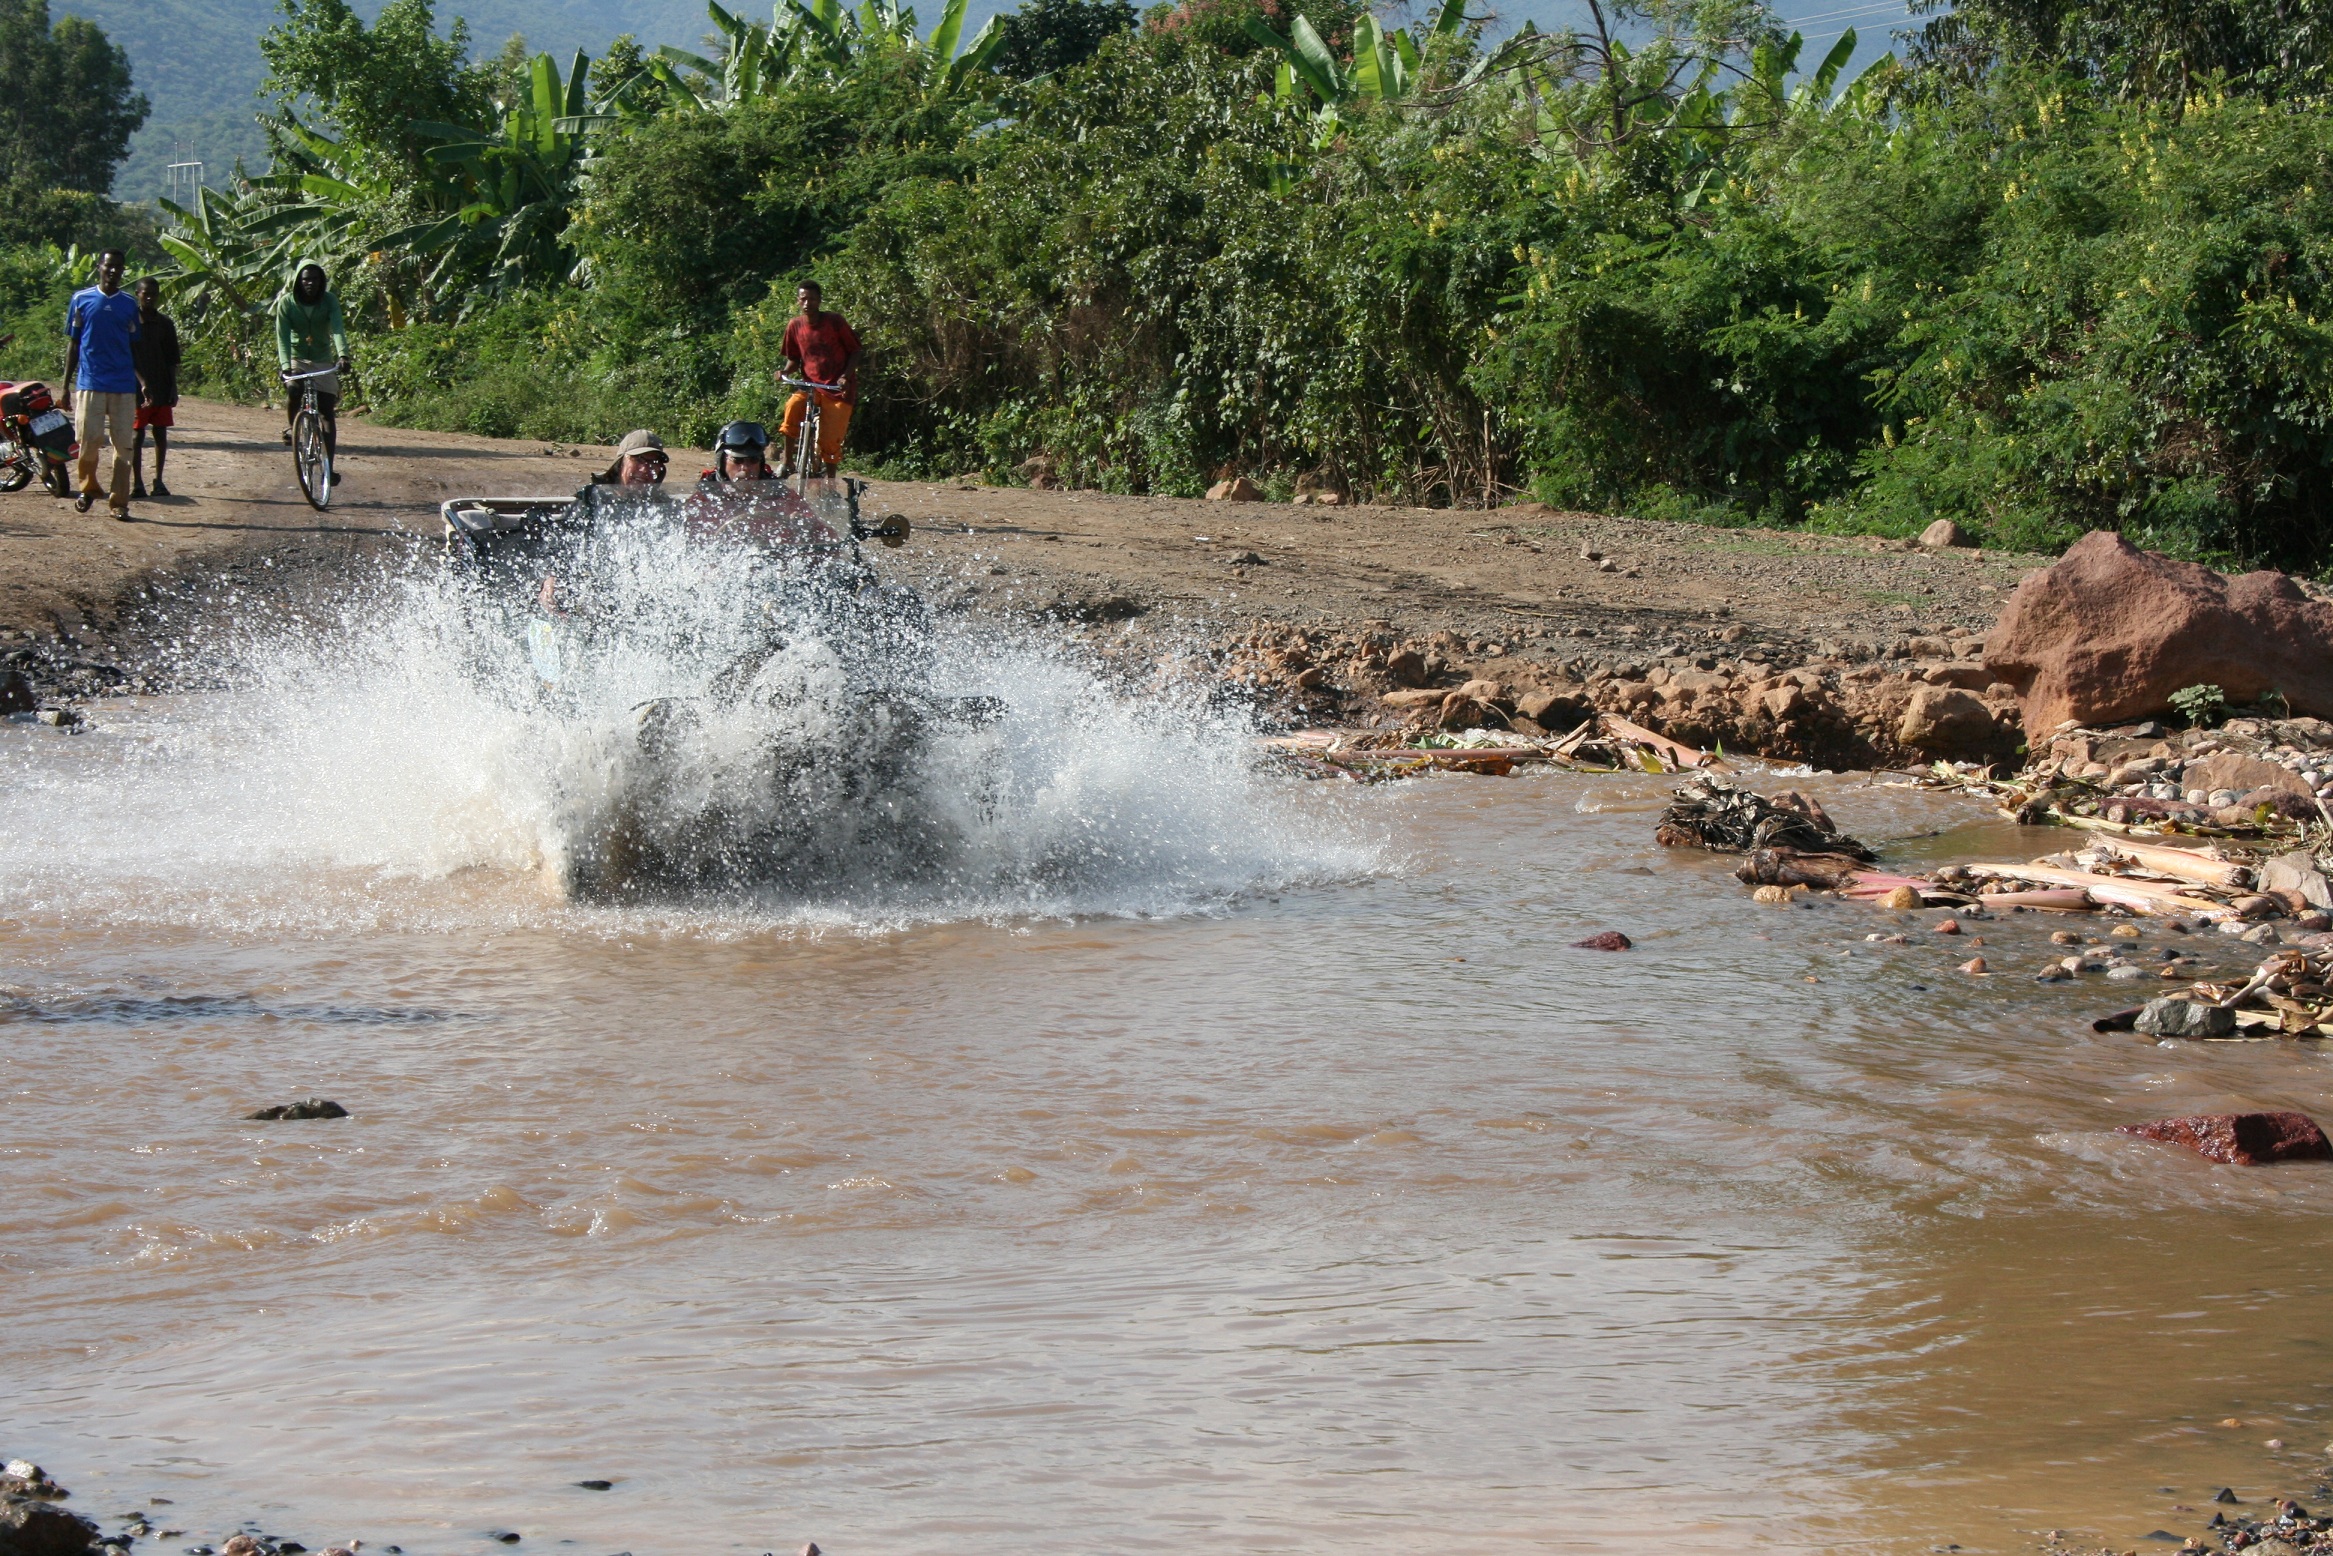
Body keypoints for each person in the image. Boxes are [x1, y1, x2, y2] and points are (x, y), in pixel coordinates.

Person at [61, 248, 140, 520]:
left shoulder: (129, 304)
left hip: (123, 385)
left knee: (124, 447)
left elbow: (134, 346)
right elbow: (73, 344)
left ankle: (119, 502)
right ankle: (89, 487)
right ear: (99, 267)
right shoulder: (81, 299)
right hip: (90, 382)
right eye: (109, 266)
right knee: (88, 441)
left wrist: (143, 382)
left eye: (119, 267)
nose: (114, 271)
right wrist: (65, 386)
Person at [273, 261, 351, 479]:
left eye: (315, 279)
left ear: (321, 282)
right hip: (297, 358)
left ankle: (329, 468)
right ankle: (293, 428)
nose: (310, 283)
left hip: (323, 359)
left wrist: (343, 355)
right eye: (306, 279)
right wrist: (286, 367)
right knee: (294, 389)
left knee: (327, 412)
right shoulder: (287, 303)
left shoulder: (329, 301)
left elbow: (337, 328)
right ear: (299, 280)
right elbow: (282, 338)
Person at [776, 282, 860, 478]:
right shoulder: (795, 325)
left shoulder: (835, 322)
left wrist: (845, 377)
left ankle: (830, 483)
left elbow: (855, 351)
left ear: (819, 301)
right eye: (803, 299)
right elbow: (794, 359)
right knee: (792, 408)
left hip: (836, 388)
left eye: (812, 299)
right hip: (810, 386)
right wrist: (784, 372)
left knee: (831, 441)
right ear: (798, 301)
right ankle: (787, 461)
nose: (807, 303)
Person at [130, 277, 181, 500]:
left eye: (153, 294)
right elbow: (128, 357)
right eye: (145, 294)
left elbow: (172, 359)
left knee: (160, 432)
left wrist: (173, 387)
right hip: (136, 388)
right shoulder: (131, 323)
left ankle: (158, 480)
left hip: (161, 385)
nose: (149, 298)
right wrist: (142, 383)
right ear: (137, 294)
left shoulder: (165, 324)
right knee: (136, 435)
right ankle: (137, 482)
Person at [697, 420, 777, 487]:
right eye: (737, 460)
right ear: (722, 462)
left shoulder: (777, 493)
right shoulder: (705, 496)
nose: (746, 468)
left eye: (754, 460)